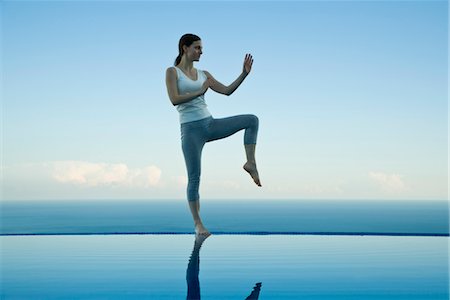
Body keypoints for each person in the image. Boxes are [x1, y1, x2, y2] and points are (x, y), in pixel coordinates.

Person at [165, 33, 261, 237]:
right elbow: (174, 99)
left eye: (201, 48)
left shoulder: (204, 74)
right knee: (194, 178)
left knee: (252, 120)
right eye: (197, 48)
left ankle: (250, 163)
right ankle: (198, 225)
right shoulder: (172, 72)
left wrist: (244, 74)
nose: (201, 51)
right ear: (185, 48)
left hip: (210, 124)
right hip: (190, 131)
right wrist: (200, 92)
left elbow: (226, 91)